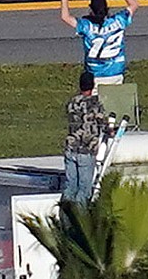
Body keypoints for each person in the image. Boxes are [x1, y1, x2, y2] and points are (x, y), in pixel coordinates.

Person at [60, 0, 140, 123]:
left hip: (95, 76)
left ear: (91, 10)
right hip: (116, 73)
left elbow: (65, 17)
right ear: (107, 10)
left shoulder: (86, 26)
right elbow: (134, 3)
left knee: (92, 115)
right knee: (114, 114)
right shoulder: (118, 21)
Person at [62, 71, 110, 201]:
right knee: (84, 191)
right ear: (93, 85)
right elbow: (104, 124)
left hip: (71, 148)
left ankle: (65, 216)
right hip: (86, 150)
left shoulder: (72, 103)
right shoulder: (95, 104)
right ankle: (80, 218)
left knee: (70, 188)